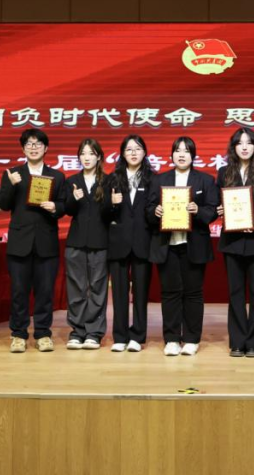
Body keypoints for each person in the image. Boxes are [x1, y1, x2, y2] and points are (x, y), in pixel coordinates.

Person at [147, 136, 219, 357]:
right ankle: (171, 339)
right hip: (167, 244)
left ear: (193, 155)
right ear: (171, 155)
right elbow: (148, 209)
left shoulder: (205, 180)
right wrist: (155, 212)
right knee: (169, 293)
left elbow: (212, 211)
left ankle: (191, 338)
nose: (181, 155)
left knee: (193, 293)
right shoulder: (160, 180)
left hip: (193, 244)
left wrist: (198, 211)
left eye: (186, 151)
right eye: (177, 151)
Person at [0, 128, 67, 353]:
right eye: (29, 144)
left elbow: (64, 205)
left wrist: (55, 207)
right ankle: (18, 334)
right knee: (19, 291)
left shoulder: (57, 176)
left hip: (46, 242)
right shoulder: (12, 173)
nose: (33, 147)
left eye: (38, 144)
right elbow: (3, 204)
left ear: (46, 148)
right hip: (20, 243)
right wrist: (11, 185)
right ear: (23, 148)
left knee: (45, 292)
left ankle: (43, 334)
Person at [216, 127, 254, 358]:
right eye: (239, 143)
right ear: (233, 147)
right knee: (236, 293)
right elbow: (218, 202)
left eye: (249, 143)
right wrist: (220, 209)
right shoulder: (224, 172)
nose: (244, 147)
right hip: (232, 241)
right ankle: (237, 341)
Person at [64, 138, 114, 350]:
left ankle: (94, 333)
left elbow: (110, 214)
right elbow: (67, 210)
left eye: (91, 154)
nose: (86, 158)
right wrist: (73, 198)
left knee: (97, 289)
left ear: (99, 157)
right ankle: (77, 331)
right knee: (76, 288)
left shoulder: (108, 181)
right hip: (75, 242)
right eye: (83, 154)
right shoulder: (72, 181)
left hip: (100, 242)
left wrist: (112, 203)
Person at [107, 135, 154, 353]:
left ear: (144, 152)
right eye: (129, 149)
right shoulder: (112, 179)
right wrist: (111, 204)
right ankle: (120, 336)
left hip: (143, 242)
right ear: (122, 154)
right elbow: (103, 212)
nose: (133, 153)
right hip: (118, 243)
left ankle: (137, 336)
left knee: (141, 293)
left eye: (137, 149)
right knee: (119, 293)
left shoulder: (153, 179)